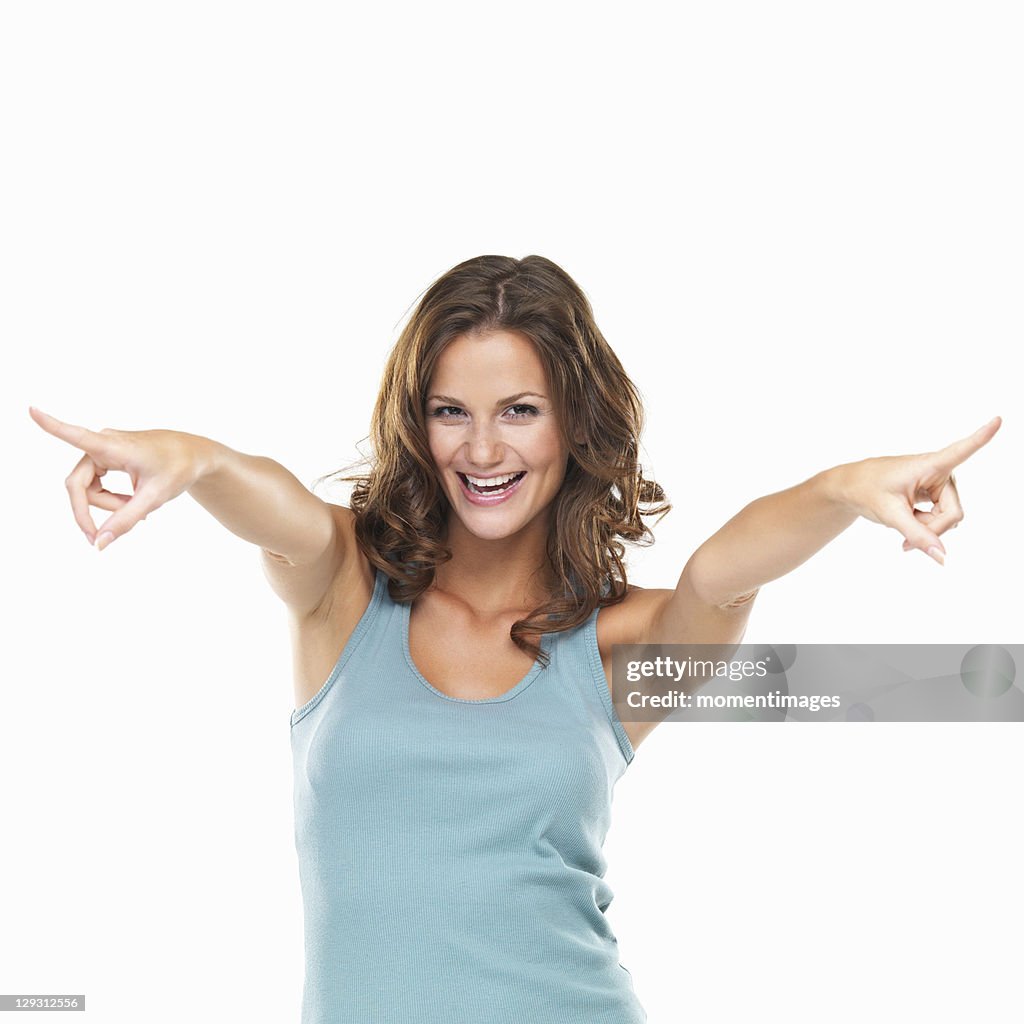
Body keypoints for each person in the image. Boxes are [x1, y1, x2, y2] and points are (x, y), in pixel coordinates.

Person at [29, 254, 1001, 1023]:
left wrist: (841, 491)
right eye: (451, 411)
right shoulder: (343, 588)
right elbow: (275, 501)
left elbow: (719, 572)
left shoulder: (616, 647)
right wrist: (190, 461)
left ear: (570, 423)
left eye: (518, 411)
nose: (483, 450)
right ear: (417, 424)